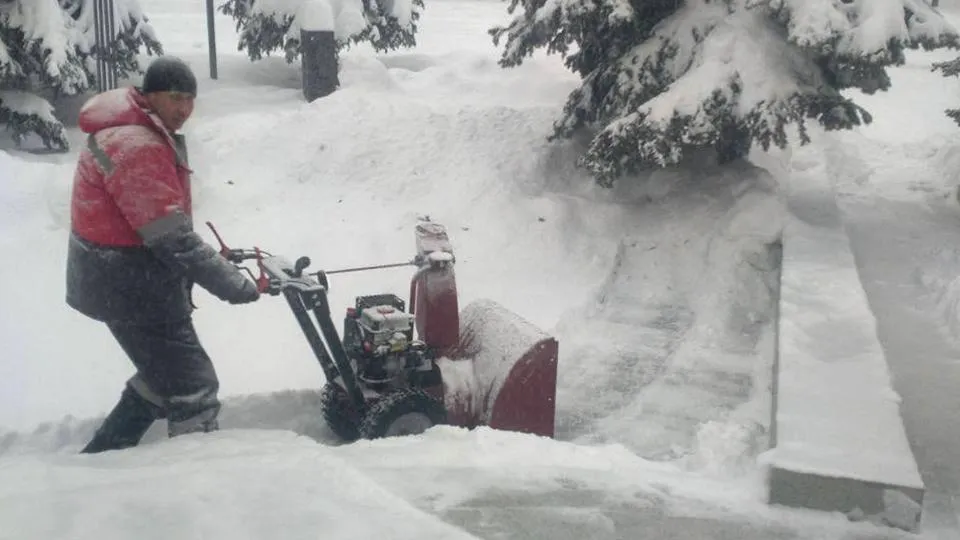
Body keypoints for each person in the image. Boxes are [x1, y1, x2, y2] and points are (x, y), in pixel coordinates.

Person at [66, 56, 260, 454]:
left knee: (162, 375)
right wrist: (234, 284)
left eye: (190, 99)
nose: (184, 109)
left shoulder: (127, 132)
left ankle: (102, 458)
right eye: (175, 98)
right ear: (149, 95)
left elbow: (156, 222)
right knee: (192, 385)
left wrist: (214, 262)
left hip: (118, 280)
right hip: (132, 285)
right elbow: (169, 237)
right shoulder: (135, 144)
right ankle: (194, 484)